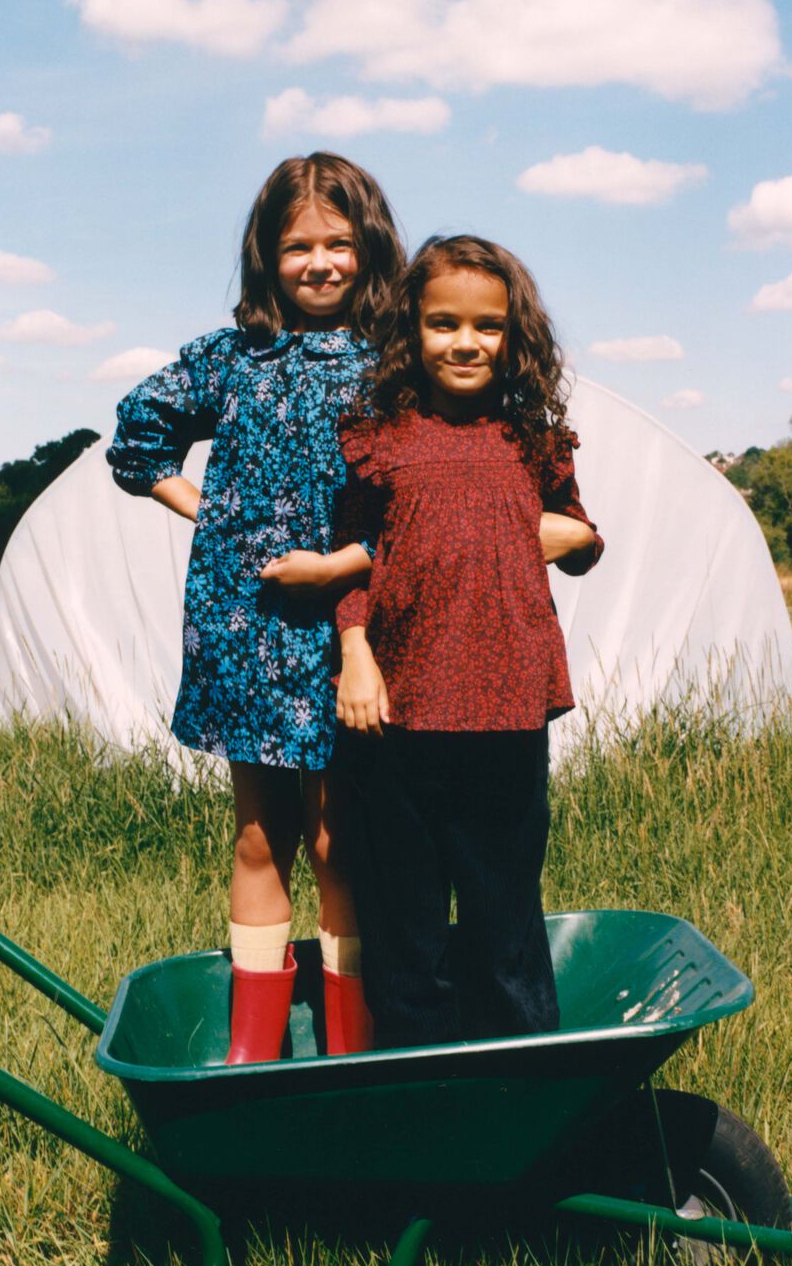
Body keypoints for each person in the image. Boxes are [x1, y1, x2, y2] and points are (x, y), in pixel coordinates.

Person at [106, 154, 404, 1063]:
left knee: (337, 837)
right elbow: (137, 433)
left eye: (339, 244)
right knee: (257, 834)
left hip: (353, 618)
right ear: (266, 257)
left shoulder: (394, 361)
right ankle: (252, 1052)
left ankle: (353, 1050)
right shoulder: (234, 356)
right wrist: (206, 511)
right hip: (246, 626)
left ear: (371, 247)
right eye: (297, 247)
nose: (319, 263)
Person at [287, 234, 602, 1049]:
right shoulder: (380, 437)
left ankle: (526, 1085)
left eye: (487, 327)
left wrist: (572, 536)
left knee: (506, 925)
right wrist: (354, 654)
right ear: (411, 331)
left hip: (506, 713)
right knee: (406, 929)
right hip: (397, 716)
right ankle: (418, 1088)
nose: (465, 343)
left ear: (514, 335)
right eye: (443, 324)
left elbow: (582, 536)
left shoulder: (532, 440)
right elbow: (352, 558)